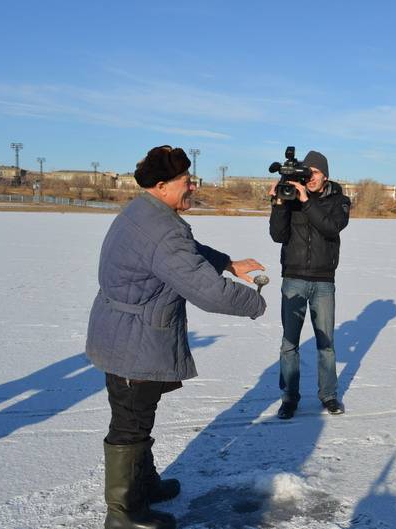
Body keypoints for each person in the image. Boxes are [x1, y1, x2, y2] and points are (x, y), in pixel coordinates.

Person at [86, 145, 267, 529]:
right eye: (187, 181)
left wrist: (228, 262)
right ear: (163, 185)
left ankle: (143, 485)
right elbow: (207, 291)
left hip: (121, 331)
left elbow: (190, 253)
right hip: (133, 339)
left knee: (138, 414)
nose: (193, 186)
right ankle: (123, 513)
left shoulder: (146, 212)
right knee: (130, 422)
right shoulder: (162, 230)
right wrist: (255, 302)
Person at [269, 150, 351, 420]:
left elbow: (331, 228)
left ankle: (328, 395)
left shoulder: (338, 200)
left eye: (314, 173)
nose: (310, 178)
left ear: (325, 175)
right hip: (293, 279)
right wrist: (279, 204)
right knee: (288, 344)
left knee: (325, 344)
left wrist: (305, 201)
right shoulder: (291, 198)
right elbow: (278, 235)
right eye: (307, 173)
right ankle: (289, 398)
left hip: (324, 282)